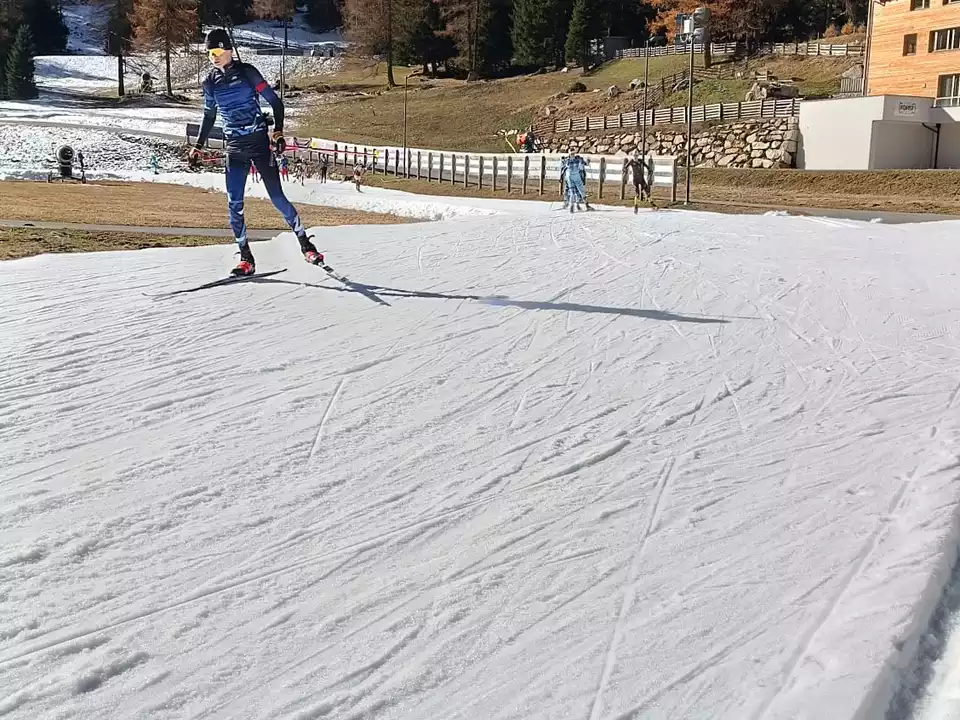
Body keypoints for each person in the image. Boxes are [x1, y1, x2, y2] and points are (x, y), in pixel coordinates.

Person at [188, 28, 323, 277]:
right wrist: (198, 146)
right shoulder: (209, 82)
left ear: (229, 49)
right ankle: (246, 259)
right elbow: (208, 116)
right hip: (235, 148)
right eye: (209, 53)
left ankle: (306, 245)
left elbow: (275, 102)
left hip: (259, 144)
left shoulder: (247, 72)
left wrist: (278, 132)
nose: (213, 57)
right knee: (234, 204)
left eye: (217, 51)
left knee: (278, 198)